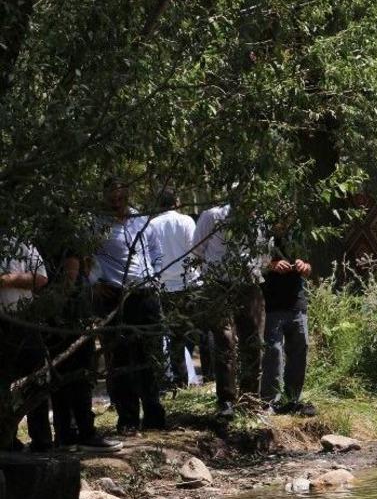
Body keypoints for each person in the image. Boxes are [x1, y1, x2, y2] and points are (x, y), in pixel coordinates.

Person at [91, 179, 167, 435]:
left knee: (150, 355)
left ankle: (155, 414)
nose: (116, 201)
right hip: (115, 298)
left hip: (146, 294)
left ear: (127, 193)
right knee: (120, 359)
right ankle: (128, 419)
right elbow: (86, 256)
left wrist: (156, 275)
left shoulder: (141, 218)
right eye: (111, 196)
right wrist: (94, 281)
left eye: (120, 196)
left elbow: (156, 250)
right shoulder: (96, 224)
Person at [192, 203, 266, 419]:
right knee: (225, 342)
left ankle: (251, 400)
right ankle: (226, 401)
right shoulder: (213, 216)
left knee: (253, 342)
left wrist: (255, 271)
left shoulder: (258, 218)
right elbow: (197, 249)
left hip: (249, 285)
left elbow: (262, 251)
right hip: (218, 285)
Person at [48, 249, 122, 452]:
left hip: (60, 317)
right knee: (79, 377)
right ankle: (84, 433)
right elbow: (71, 277)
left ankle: (66, 434)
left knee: (62, 379)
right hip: (71, 319)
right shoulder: (69, 239)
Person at [259, 218, 315, 415]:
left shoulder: (298, 236)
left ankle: (292, 399)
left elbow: (309, 268)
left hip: (297, 302)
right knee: (273, 351)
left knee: (300, 348)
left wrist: (303, 266)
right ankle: (269, 402)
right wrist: (272, 265)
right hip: (271, 303)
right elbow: (253, 263)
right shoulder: (262, 236)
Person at [0, 238, 51, 451]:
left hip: (25, 318)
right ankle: (7, 441)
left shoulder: (22, 240)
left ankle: (42, 440)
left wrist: (7, 280)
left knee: (36, 379)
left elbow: (40, 279)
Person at [150, 188, 199, 388]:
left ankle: (177, 378)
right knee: (191, 331)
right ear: (176, 202)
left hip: (164, 286)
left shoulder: (151, 224)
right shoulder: (186, 220)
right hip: (188, 282)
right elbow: (194, 248)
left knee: (172, 334)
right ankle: (186, 375)